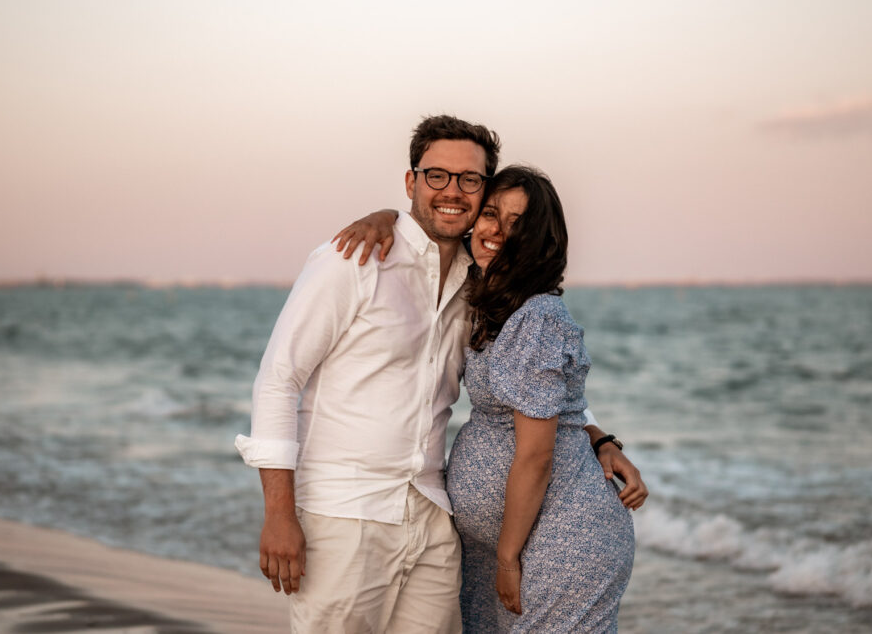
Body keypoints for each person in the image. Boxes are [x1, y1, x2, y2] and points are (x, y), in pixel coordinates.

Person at [237, 115, 644, 633]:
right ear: (411, 182)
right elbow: (278, 381)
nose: (452, 190)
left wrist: (597, 436)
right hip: (346, 511)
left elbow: (535, 383)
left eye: (469, 180)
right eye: (436, 175)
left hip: (432, 515)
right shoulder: (352, 260)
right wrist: (278, 513)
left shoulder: (478, 284)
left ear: (481, 192)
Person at [337, 166, 637, 632]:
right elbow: (432, 228)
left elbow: (536, 455)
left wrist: (508, 556)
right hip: (503, 543)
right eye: (492, 213)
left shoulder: (536, 315)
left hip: (559, 537)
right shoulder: (487, 296)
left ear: (541, 241)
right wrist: (385, 217)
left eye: (518, 223)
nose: (497, 230)